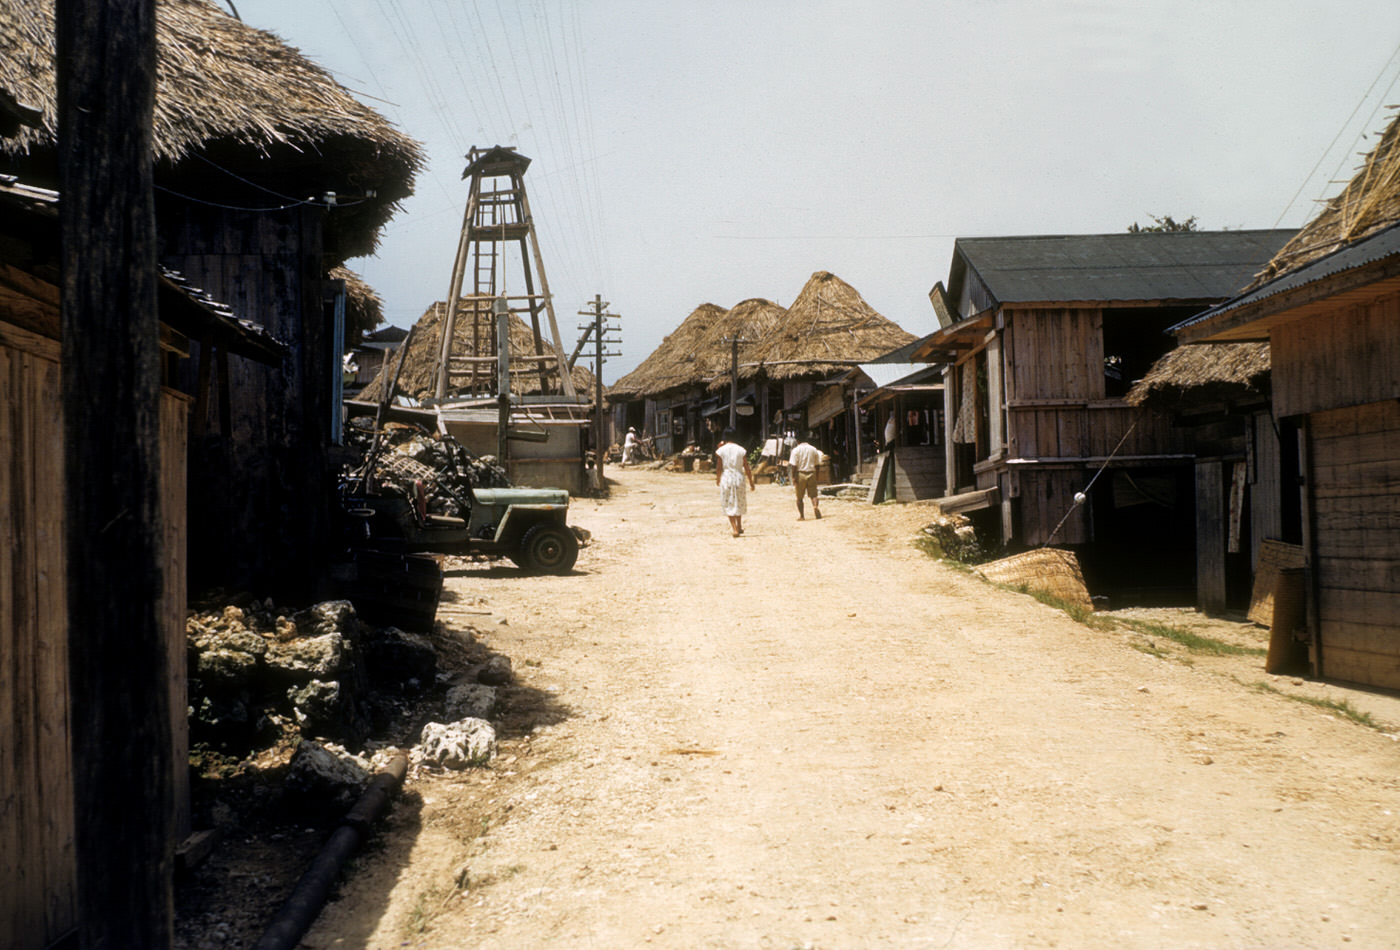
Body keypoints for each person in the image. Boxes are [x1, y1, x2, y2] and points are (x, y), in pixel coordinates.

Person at [714, 428, 755, 538]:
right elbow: (746, 467)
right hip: (739, 477)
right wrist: (751, 481)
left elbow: (718, 467)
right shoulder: (741, 449)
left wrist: (718, 479)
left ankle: (735, 529)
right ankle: (740, 525)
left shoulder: (721, 450)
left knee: (728, 503)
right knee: (739, 501)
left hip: (727, 477)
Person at [789, 432, 823, 520]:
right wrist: (817, 475)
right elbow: (817, 464)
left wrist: (793, 477)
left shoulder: (795, 450)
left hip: (800, 474)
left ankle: (802, 516)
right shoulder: (813, 449)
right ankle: (815, 506)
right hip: (812, 473)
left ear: (797, 440)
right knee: (814, 495)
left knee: (799, 498)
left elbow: (794, 466)